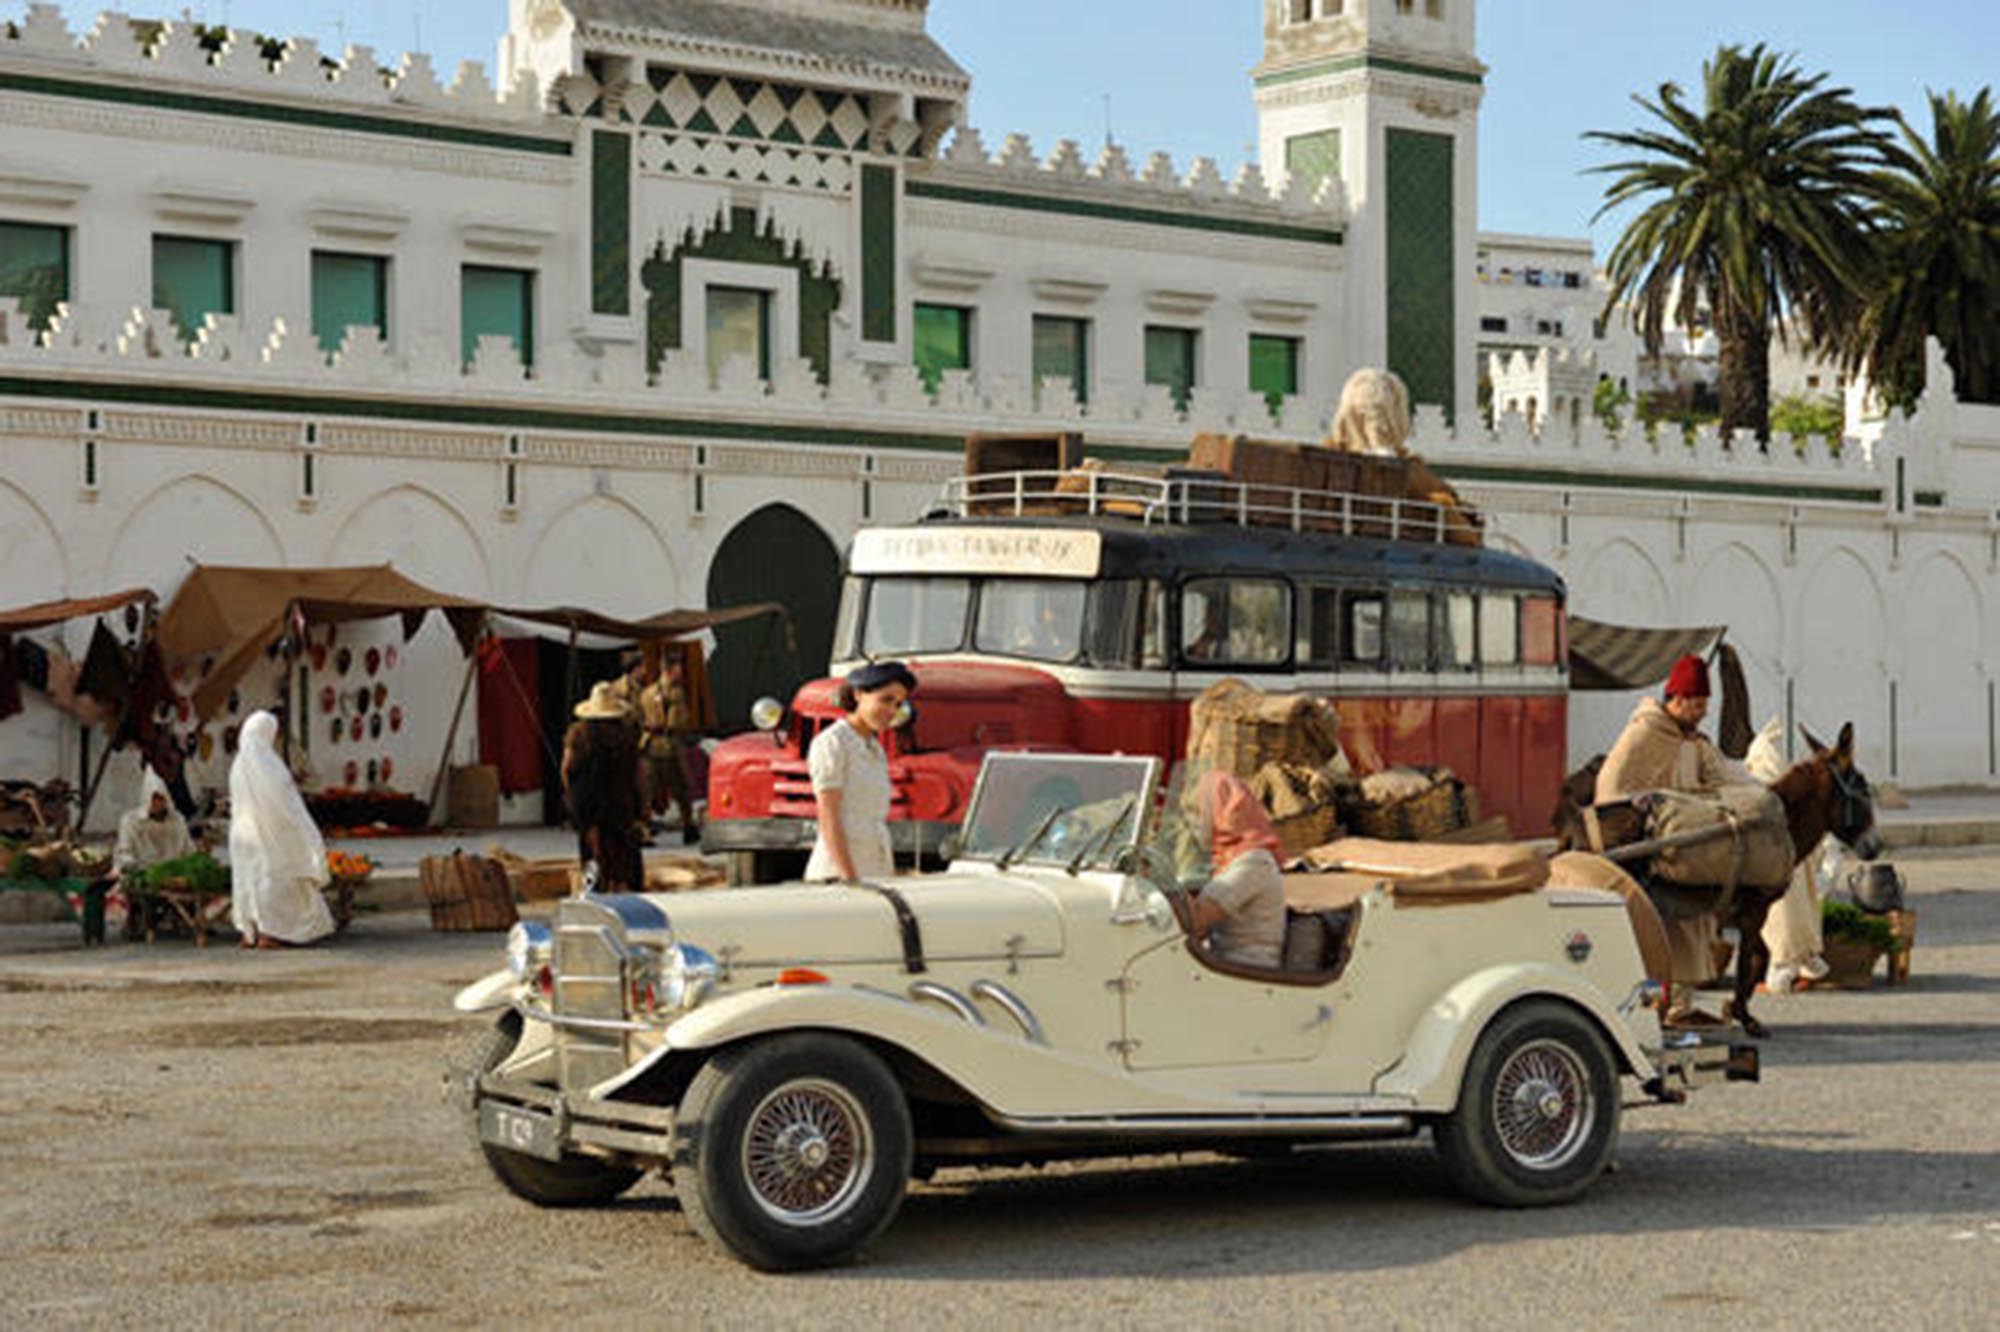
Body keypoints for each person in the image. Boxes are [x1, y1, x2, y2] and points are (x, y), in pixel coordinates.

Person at [1595, 653, 1732, 1025]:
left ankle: (1680, 1005)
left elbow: (1718, 779)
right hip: (1650, 853)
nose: (1703, 712)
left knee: (1693, 923)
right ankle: (1659, 1007)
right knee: (1658, 932)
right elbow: (1612, 790)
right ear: (1679, 699)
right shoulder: (1643, 734)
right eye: (1698, 704)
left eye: (1706, 705)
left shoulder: (1694, 741)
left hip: (1689, 845)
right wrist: (1649, 813)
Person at [228, 710, 335, 949]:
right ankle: (271, 933)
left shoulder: (238, 764)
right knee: (276, 880)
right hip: (272, 834)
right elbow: (287, 804)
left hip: (243, 836)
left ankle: (251, 932)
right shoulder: (269, 764)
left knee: (248, 880)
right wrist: (305, 832)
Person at [805, 661, 915, 884]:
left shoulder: (875, 749)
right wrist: (850, 878)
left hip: (874, 871)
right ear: (858, 695)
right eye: (885, 700)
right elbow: (828, 816)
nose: (891, 711)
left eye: (898, 704)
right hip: (837, 875)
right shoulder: (833, 742)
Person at [1745, 716, 1832, 992]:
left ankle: (1784, 969)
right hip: (1793, 846)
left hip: (1779, 850)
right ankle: (1805, 956)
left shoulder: (1766, 763)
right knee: (1799, 903)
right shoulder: (1776, 759)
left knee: (1783, 911)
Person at [1185, 770, 1288, 969]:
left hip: (1245, 971)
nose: (1194, 821)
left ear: (1225, 813)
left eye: (1200, 811)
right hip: (1220, 964)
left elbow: (1195, 922)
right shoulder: (1227, 858)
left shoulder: (1254, 863)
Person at [562, 681, 646, 893]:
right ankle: (623, 890)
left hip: (589, 803)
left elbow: (567, 767)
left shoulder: (578, 733)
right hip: (620, 802)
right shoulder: (627, 735)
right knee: (622, 852)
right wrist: (642, 804)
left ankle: (594, 891)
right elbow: (639, 773)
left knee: (592, 852)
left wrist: (571, 796)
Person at [637, 652, 701, 845]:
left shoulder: (646, 692)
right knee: (681, 789)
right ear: (670, 670)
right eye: (678, 668)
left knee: (646, 792)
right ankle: (688, 827)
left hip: (649, 747)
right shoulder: (676, 693)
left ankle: (644, 831)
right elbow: (678, 721)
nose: (681, 672)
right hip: (670, 747)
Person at [115, 766, 195, 880]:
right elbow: (124, 853)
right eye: (154, 799)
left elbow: (189, 851)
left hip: (174, 877)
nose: (158, 804)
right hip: (142, 877)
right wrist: (134, 867)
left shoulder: (177, 820)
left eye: (161, 799)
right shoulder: (130, 821)